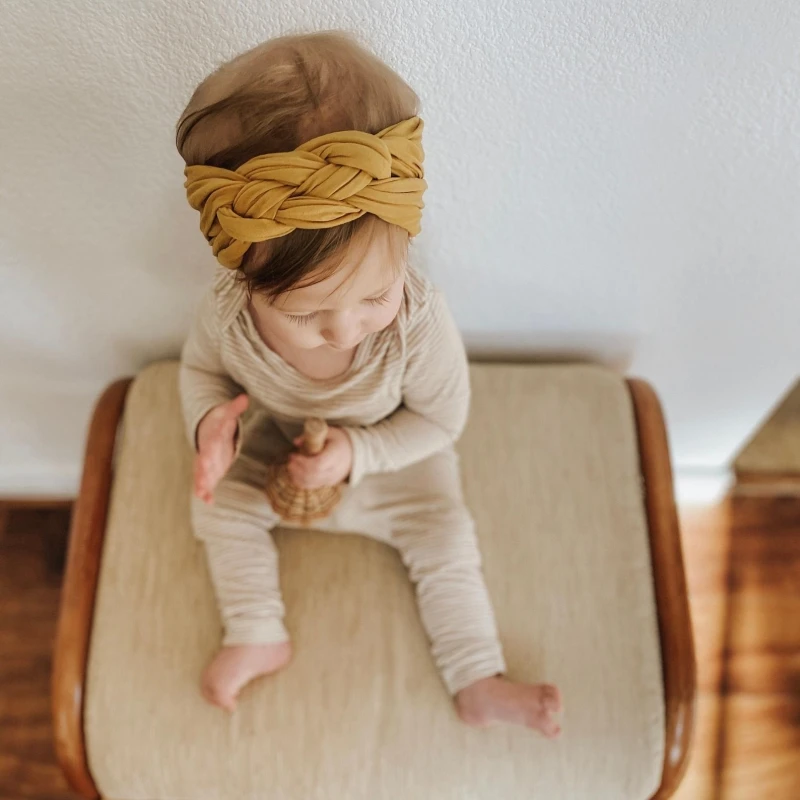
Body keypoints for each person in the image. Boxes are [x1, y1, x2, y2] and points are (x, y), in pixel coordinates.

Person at [177, 30, 561, 736]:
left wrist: (357, 454)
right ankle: (256, 630)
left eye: (373, 296)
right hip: (278, 442)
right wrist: (212, 427)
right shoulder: (226, 316)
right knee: (215, 508)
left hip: (394, 453)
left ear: (404, 247)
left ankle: (476, 677)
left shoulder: (416, 321)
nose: (344, 329)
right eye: (305, 313)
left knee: (445, 534)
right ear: (244, 277)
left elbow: (441, 422)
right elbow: (201, 371)